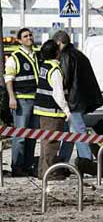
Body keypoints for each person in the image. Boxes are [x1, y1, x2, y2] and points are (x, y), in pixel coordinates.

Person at [52, 30, 103, 175]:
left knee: (78, 131)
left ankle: (86, 161)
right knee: (70, 133)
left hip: (73, 101)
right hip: (80, 99)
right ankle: (62, 162)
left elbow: (65, 79)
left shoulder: (66, 56)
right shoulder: (78, 54)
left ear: (59, 43)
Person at [4, 28, 40, 177]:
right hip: (22, 100)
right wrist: (12, 97)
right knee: (20, 136)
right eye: (25, 36)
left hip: (35, 100)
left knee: (32, 136)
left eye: (30, 35)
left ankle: (28, 165)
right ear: (19, 40)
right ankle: (17, 167)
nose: (29, 38)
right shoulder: (15, 57)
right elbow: (9, 79)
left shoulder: (36, 56)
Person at [34, 39, 71, 180]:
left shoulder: (45, 66)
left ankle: (42, 171)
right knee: (52, 144)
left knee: (45, 143)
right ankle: (49, 173)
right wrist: (67, 110)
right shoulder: (55, 70)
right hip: (52, 112)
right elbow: (58, 94)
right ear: (56, 53)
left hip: (42, 111)